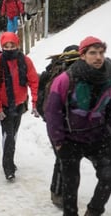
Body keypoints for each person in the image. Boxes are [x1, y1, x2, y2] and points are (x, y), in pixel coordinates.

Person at [45, 36, 111, 216]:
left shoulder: (110, 77)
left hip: (98, 137)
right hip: (70, 139)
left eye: (101, 52)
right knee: (71, 185)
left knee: (109, 175)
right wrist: (59, 142)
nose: (98, 57)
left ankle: (94, 211)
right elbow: (52, 112)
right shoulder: (66, 79)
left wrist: (109, 132)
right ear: (82, 55)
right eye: (92, 53)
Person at [0, 32, 39, 181]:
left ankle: (10, 160)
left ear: (17, 45)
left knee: (13, 135)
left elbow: (34, 81)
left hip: (19, 105)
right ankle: (8, 167)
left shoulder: (25, 61)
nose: (9, 49)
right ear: (2, 47)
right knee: (8, 136)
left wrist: (35, 102)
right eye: (6, 46)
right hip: (4, 107)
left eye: (12, 45)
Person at [37, 44, 80, 209]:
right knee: (64, 158)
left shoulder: (52, 73)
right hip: (59, 124)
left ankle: (61, 191)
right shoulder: (59, 77)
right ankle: (57, 192)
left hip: (63, 124)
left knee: (64, 158)